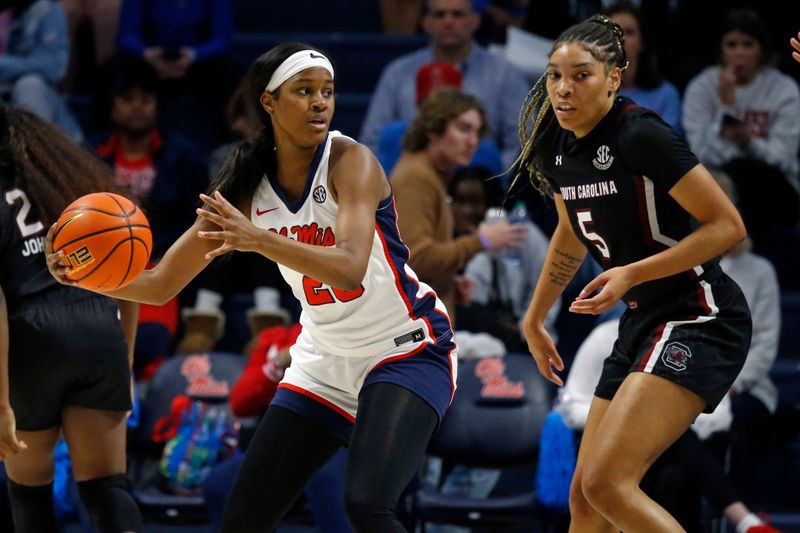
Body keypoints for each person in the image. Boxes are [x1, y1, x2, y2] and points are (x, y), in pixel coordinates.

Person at [46, 42, 458, 532]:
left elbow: (348, 268)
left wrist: (259, 240)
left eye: (327, 92)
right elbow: (159, 285)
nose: (320, 102)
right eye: (304, 92)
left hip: (406, 347)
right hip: (324, 359)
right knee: (242, 518)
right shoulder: (246, 184)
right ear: (269, 102)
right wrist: (82, 274)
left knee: (367, 504)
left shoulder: (351, 160)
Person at [513, 14, 751, 532]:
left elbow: (727, 226)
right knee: (585, 501)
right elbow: (569, 232)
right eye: (554, 75)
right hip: (643, 320)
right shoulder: (556, 143)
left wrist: (630, 272)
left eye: (581, 75)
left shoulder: (639, 133)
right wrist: (534, 318)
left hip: (699, 313)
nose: (563, 88)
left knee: (607, 484)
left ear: (614, 78)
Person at [0, 106, 142, 532]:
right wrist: (126, 359)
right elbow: (135, 271)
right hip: (100, 324)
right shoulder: (78, 185)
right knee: (107, 488)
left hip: (30, 337)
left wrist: (1, 401)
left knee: (29, 496)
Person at [554, 317, 783, 533]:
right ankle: (743, 519)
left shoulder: (690, 342)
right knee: (661, 450)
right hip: (615, 452)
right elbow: (572, 407)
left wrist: (667, 418)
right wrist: (628, 419)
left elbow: (720, 415)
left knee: (677, 476)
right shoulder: (603, 339)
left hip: (669, 454)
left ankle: (742, 520)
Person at [390, 87, 526, 319]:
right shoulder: (416, 178)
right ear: (433, 130)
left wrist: (447, 283)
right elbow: (415, 259)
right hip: (415, 332)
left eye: (477, 132)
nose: (473, 142)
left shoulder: (429, 174)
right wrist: (481, 240)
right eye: (464, 129)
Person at [360, 0, 530, 169]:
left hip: (483, 184)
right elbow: (372, 140)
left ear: (475, 20)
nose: (448, 21)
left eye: (457, 14)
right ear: (426, 22)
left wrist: (494, 181)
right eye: (439, 14)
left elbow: (522, 139)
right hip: (408, 181)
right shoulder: (397, 73)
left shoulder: (505, 74)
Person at [682, 8, 800, 234]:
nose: (739, 53)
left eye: (748, 44)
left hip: (775, 189)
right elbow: (701, 155)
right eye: (731, 44)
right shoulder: (702, 87)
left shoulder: (784, 89)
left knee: (751, 174)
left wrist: (749, 143)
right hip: (720, 188)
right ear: (721, 50)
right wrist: (726, 108)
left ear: (762, 50)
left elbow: (782, 158)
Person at [0, 0, 83, 142]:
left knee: (30, 86)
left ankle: (36, 157)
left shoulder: (46, 9)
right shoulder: (8, 15)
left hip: (47, 116)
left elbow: (54, 67)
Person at [604, 1, 682, 134]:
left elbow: (670, 150)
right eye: (613, 32)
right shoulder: (588, 92)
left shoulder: (666, 94)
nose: (621, 40)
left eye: (629, 32)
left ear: (642, 42)